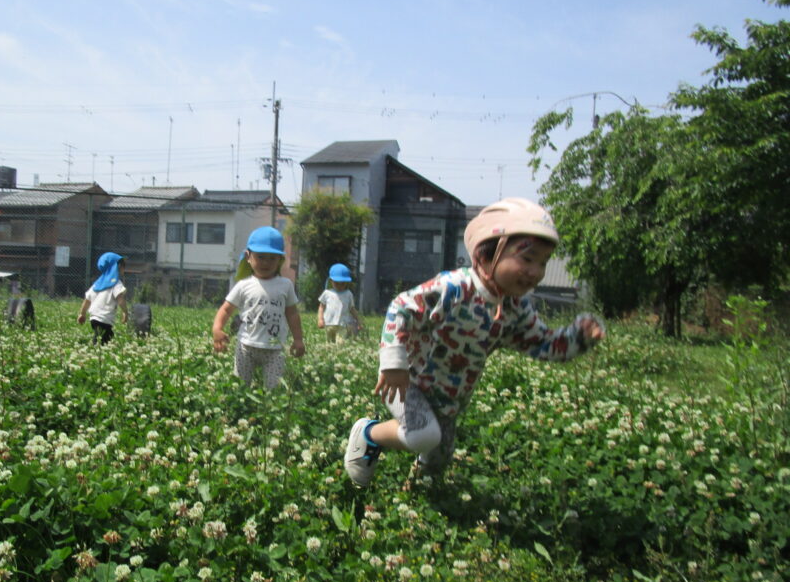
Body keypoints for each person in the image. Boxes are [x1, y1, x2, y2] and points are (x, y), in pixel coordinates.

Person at [343, 197, 606, 487]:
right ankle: (368, 434)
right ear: (486, 254)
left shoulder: (516, 308)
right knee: (424, 435)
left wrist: (578, 337)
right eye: (527, 258)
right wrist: (394, 363)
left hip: (450, 399)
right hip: (406, 382)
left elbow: (540, 343)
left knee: (436, 462)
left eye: (543, 262)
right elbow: (402, 307)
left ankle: (416, 501)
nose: (535, 271)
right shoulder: (455, 287)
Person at [212, 226, 306, 389]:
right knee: (240, 386)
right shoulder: (243, 285)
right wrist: (217, 328)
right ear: (248, 256)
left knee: (274, 389)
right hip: (245, 346)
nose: (266, 262)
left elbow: (292, 314)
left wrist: (298, 339)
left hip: (275, 348)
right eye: (261, 257)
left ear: (280, 261)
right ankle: (241, 410)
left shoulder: (285, 285)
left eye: (272, 258)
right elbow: (226, 309)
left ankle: (269, 411)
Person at [77, 251, 128, 345]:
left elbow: (87, 300)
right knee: (105, 336)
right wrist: (125, 312)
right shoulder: (116, 283)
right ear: (119, 267)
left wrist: (82, 314)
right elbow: (120, 299)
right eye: (124, 266)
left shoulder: (97, 284)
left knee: (101, 333)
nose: (124, 268)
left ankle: (96, 345)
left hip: (93, 317)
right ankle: (95, 348)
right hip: (105, 318)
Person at [317, 263, 361, 343]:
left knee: (340, 342)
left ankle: (339, 350)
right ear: (331, 281)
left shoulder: (348, 294)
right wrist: (320, 319)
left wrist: (358, 320)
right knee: (329, 342)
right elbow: (321, 307)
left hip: (343, 324)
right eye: (337, 283)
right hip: (329, 323)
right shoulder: (327, 293)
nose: (340, 286)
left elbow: (352, 309)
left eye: (343, 283)